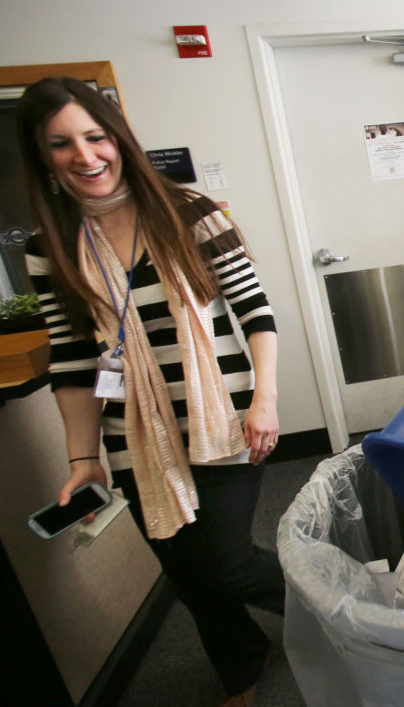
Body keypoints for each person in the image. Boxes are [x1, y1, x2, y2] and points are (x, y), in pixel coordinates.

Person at [16, 77, 283, 707]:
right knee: (189, 576)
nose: (85, 156)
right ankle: (240, 669)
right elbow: (75, 363)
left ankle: (352, 610)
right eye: (62, 144)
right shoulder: (46, 248)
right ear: (43, 157)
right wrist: (83, 459)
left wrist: (264, 401)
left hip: (223, 419)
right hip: (134, 436)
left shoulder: (191, 213)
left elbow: (256, 313)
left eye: (95, 136)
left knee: (225, 564)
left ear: (118, 139)